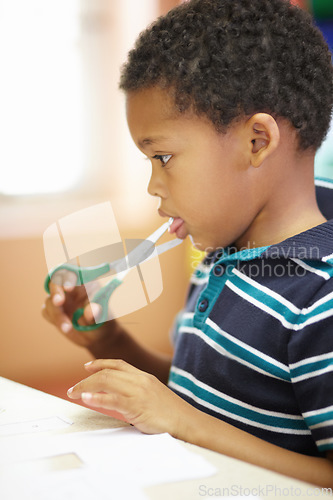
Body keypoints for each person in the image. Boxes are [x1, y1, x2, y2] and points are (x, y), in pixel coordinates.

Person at [42, 0, 333, 487]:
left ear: (257, 141)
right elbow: (198, 393)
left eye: (163, 157)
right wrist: (110, 341)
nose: (153, 186)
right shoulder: (222, 252)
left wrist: (182, 423)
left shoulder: (320, 301)